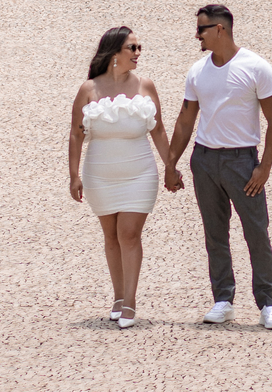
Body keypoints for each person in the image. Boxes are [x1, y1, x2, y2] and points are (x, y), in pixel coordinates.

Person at [168, 3, 272, 331]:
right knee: (214, 233)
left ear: (219, 29)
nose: (197, 35)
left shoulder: (256, 67)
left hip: (241, 161)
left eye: (201, 29)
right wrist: (171, 163)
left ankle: (269, 304)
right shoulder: (197, 71)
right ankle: (223, 299)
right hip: (204, 160)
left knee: (256, 231)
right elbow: (185, 119)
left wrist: (265, 167)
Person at [69, 25, 181, 327]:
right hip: (99, 175)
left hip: (140, 173)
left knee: (129, 234)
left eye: (139, 48)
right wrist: (73, 175)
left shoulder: (146, 85)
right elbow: (76, 135)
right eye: (132, 48)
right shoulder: (88, 89)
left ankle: (130, 301)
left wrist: (170, 166)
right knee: (111, 235)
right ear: (114, 51)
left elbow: (157, 129)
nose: (138, 53)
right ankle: (118, 296)